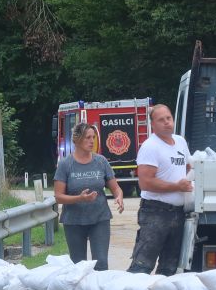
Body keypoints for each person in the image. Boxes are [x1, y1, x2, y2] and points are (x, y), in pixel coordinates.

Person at [128, 104, 192, 276]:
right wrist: (177, 186)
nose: (166, 123)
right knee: (142, 265)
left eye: (169, 118)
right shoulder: (150, 146)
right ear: (153, 125)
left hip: (178, 213)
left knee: (169, 267)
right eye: (161, 120)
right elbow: (146, 182)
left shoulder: (180, 141)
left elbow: (188, 167)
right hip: (155, 211)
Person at [53, 122, 125, 271]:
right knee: (79, 267)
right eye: (87, 138)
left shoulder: (101, 161)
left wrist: (119, 196)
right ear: (77, 140)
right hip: (74, 221)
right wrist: (80, 198)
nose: (92, 141)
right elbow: (58, 196)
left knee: (101, 263)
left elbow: (115, 187)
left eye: (93, 137)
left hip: (99, 218)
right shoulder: (66, 164)